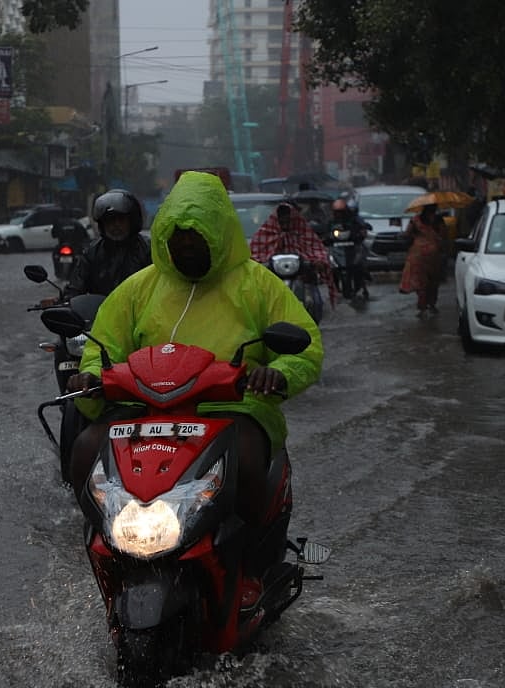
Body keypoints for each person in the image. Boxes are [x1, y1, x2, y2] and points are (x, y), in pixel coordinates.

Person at [66, 170, 324, 534]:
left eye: (196, 237)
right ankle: (108, 545)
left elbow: (305, 346)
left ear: (218, 235)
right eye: (178, 237)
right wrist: (91, 377)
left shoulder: (258, 284)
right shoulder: (137, 289)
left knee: (247, 461)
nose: (186, 245)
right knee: (85, 449)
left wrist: (278, 373)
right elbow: (102, 347)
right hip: (143, 411)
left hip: (234, 410)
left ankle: (250, 553)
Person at [249, 200, 335, 307]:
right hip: (273, 280)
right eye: (282, 221)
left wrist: (318, 261)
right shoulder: (265, 233)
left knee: (316, 302)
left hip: (303, 278)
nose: (285, 224)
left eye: (288, 221)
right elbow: (254, 254)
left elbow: (317, 249)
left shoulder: (303, 232)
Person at [400, 202, 448, 316]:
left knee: (420, 281)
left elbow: (407, 234)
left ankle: (422, 307)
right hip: (434, 254)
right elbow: (444, 235)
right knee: (433, 281)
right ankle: (432, 304)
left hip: (418, 254)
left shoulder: (415, 220)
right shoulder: (438, 220)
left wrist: (413, 236)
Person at [329, 196, 372, 300]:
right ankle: (333, 285)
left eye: (341, 212)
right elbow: (326, 229)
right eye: (337, 212)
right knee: (329, 263)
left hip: (353, 245)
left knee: (361, 258)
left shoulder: (353, 219)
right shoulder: (331, 221)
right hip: (337, 247)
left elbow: (362, 226)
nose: (339, 214)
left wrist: (362, 230)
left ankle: (364, 275)